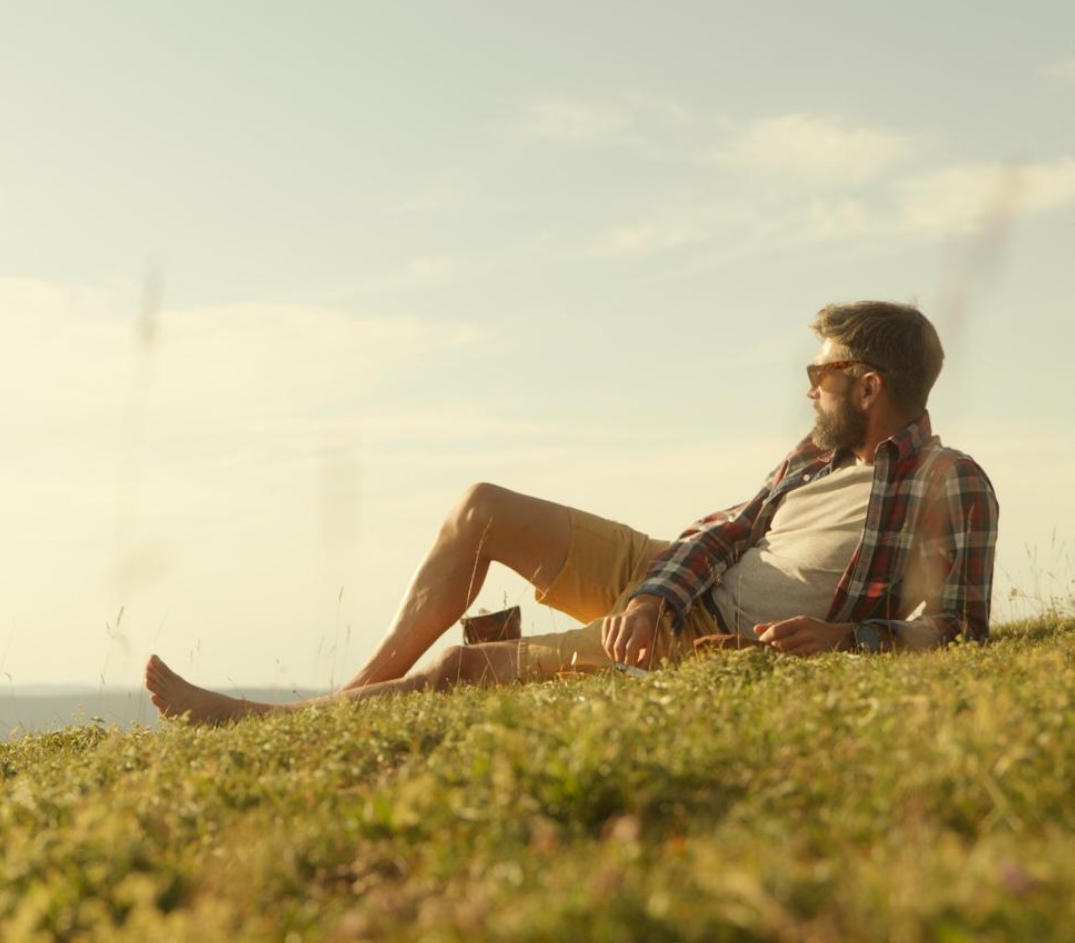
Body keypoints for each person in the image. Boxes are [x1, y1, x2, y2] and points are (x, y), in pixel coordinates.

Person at [145, 300, 998, 724]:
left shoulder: (947, 482)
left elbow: (960, 629)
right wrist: (654, 591)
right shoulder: (817, 454)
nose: (810, 387)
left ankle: (291, 725)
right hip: (675, 588)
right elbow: (725, 532)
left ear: (869, 386)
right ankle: (358, 689)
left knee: (460, 671)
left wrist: (846, 640)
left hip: (711, 635)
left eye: (823, 375)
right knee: (480, 509)